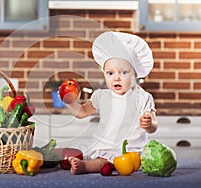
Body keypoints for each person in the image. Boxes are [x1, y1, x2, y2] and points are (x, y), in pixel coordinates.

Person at [63, 31, 158, 174]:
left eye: (124, 72)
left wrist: (149, 124)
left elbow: (153, 126)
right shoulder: (101, 96)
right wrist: (70, 103)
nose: (117, 78)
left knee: (107, 162)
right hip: (104, 146)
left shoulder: (142, 97)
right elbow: (82, 112)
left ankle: (86, 167)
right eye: (110, 73)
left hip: (131, 150)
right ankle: (79, 163)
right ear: (104, 74)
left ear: (135, 75)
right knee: (94, 157)